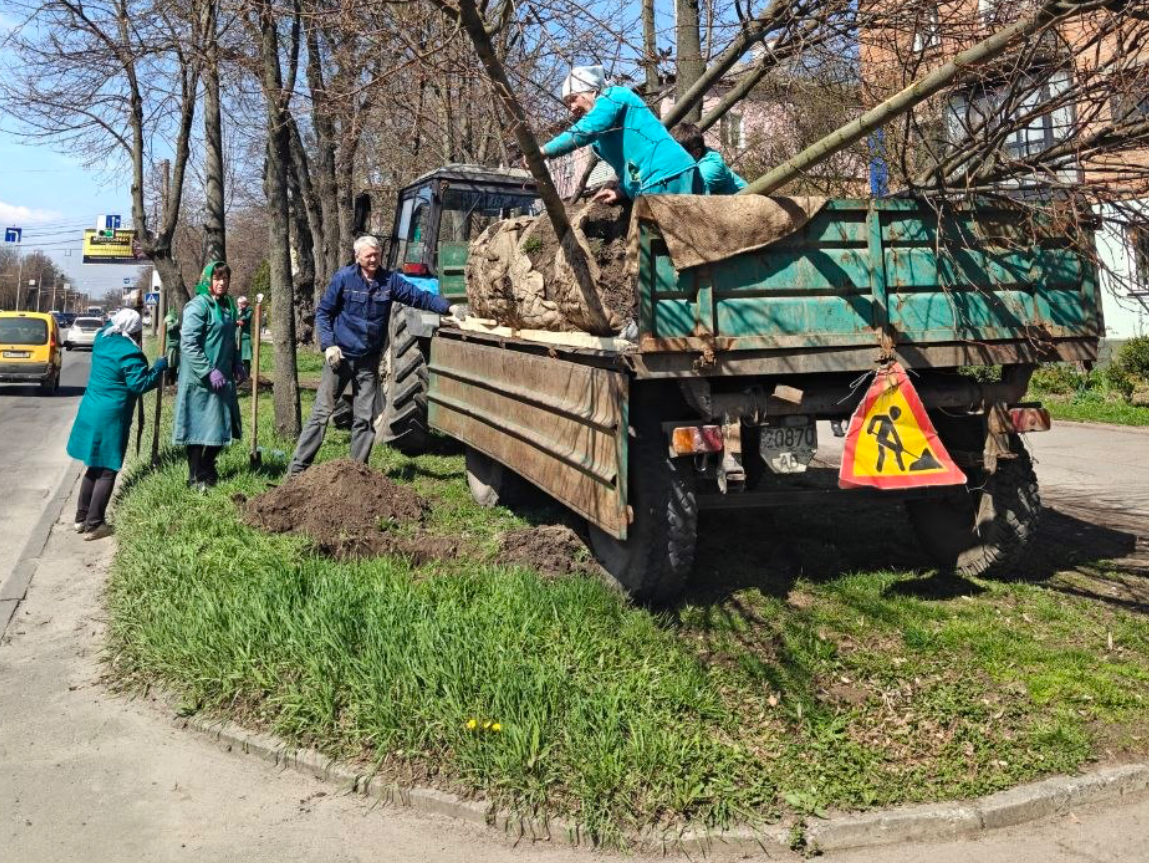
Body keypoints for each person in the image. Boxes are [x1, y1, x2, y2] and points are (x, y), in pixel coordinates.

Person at [287, 235, 463, 476]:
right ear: (357, 257)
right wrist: (328, 345)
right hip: (340, 359)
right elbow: (324, 313)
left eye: (377, 255)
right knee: (321, 414)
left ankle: (357, 473)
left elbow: (418, 296)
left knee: (364, 418)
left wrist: (448, 307)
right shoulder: (344, 279)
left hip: (367, 362)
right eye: (369, 255)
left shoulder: (389, 281)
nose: (373, 259)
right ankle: (296, 472)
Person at [65, 309, 167, 540]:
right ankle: (95, 523)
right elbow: (139, 384)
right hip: (112, 414)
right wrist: (159, 368)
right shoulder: (130, 353)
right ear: (135, 331)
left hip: (90, 409)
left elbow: (108, 324)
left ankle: (81, 518)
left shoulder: (102, 339)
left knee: (93, 464)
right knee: (109, 468)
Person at [540, 65, 701, 205]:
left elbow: (587, 128)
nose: (572, 108)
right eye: (568, 104)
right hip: (668, 176)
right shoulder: (602, 136)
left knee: (655, 240)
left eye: (573, 99)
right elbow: (628, 163)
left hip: (663, 178)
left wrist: (544, 151)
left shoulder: (612, 96)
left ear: (592, 90)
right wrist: (622, 190)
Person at [173, 261, 244, 490]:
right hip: (200, 380)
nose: (222, 283)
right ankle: (195, 477)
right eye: (217, 278)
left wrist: (237, 363)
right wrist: (207, 370)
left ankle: (206, 467)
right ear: (207, 280)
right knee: (197, 430)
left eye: (225, 278)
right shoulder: (198, 306)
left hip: (222, 377)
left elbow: (229, 339)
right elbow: (189, 343)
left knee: (221, 426)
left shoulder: (226, 306)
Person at [671, 122, 748, 194]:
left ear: (697, 153)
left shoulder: (710, 169)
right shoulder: (697, 156)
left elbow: (683, 194)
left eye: (678, 156)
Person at [236, 295, 253, 376]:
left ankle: (246, 376)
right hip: (236, 337)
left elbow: (245, 318)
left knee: (246, 358)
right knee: (236, 357)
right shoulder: (236, 311)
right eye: (239, 304)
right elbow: (232, 318)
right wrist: (237, 321)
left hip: (245, 338)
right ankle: (237, 375)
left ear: (246, 304)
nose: (241, 306)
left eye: (243, 304)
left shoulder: (249, 310)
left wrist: (240, 317)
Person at [163, 304, 181, 383]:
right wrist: (177, 323)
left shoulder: (176, 316)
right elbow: (168, 328)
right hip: (171, 345)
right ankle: (168, 382)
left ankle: (173, 381)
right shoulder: (169, 317)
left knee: (175, 364)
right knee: (170, 364)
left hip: (177, 344)